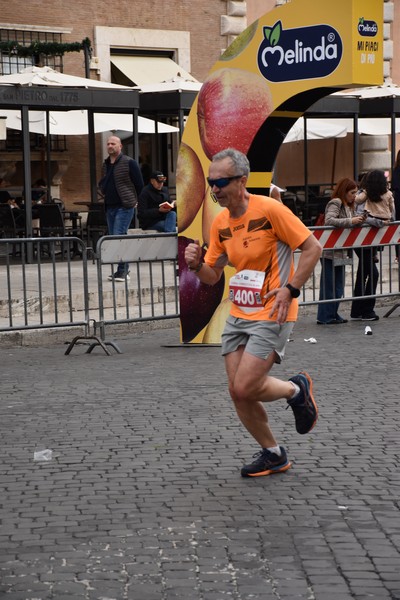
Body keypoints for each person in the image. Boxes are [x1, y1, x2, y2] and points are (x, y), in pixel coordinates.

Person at [184, 148, 322, 478]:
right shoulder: (220, 223)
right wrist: (196, 265)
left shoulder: (271, 210)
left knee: (245, 386)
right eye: (210, 182)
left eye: (220, 182)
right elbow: (213, 276)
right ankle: (273, 453)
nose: (214, 189)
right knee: (237, 391)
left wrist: (291, 289)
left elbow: (313, 248)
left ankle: (296, 390)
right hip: (239, 314)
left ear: (242, 181)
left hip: (273, 312)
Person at [317, 178, 367, 325]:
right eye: (352, 192)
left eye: (355, 192)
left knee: (338, 285)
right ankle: (325, 316)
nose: (354, 195)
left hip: (342, 251)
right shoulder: (336, 202)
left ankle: (333, 313)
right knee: (329, 286)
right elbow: (329, 220)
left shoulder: (348, 206)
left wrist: (358, 221)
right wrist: (350, 222)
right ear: (344, 192)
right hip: (330, 251)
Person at [350, 169, 395, 321]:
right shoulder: (364, 195)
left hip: (366, 241)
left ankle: (357, 311)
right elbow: (360, 216)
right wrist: (380, 222)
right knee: (373, 274)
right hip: (361, 240)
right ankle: (367, 310)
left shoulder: (370, 195)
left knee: (363, 273)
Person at [99, 135, 144, 282]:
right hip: (110, 206)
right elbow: (104, 181)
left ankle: (123, 271)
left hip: (124, 206)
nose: (110, 146)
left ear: (120, 146)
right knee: (114, 238)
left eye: (113, 143)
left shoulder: (129, 162)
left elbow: (139, 184)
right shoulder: (105, 164)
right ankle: (123, 270)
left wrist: (135, 200)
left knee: (119, 236)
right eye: (108, 144)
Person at [390, 150, 400, 262]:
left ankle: (398, 255)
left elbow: (394, 186)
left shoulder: (396, 170)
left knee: (398, 229)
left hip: (397, 202)